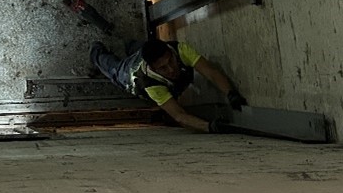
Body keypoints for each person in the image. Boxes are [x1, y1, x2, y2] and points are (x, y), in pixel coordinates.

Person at [90, 36, 246, 133]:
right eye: (163, 68)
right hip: (128, 74)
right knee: (111, 67)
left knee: (137, 45)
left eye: (170, 61)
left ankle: (126, 41)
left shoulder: (180, 49)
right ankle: (95, 51)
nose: (171, 69)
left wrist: (231, 93)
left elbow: (211, 72)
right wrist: (209, 127)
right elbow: (179, 115)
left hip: (142, 53)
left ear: (170, 52)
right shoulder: (150, 84)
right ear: (152, 67)